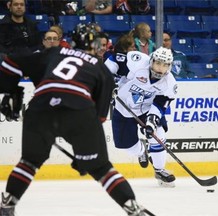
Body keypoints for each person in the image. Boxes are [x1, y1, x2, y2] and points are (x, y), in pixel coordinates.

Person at [0, 45, 153, 216]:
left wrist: (8, 91)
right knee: (101, 168)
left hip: (41, 107)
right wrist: (85, 154)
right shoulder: (100, 67)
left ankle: (8, 203)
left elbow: (12, 61)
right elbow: (99, 118)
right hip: (79, 110)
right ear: (95, 49)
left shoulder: (54, 52)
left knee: (29, 162)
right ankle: (133, 208)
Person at [105, 46, 178, 187]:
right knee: (128, 147)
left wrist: (151, 123)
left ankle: (159, 170)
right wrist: (108, 81)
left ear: (169, 66)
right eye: (157, 63)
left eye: (164, 65)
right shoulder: (137, 62)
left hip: (147, 110)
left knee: (158, 136)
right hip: (123, 107)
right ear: (151, 60)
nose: (160, 68)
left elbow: (160, 105)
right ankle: (142, 151)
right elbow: (113, 60)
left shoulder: (170, 83)